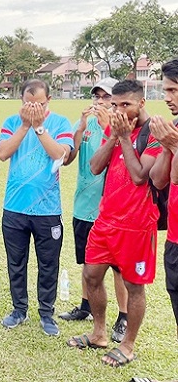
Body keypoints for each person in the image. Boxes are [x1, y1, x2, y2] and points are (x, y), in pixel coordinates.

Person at [67, 80, 161, 366]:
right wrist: (113, 136)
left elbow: (139, 176)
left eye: (126, 105)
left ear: (141, 103)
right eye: (115, 104)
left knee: (134, 286)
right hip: (106, 220)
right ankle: (98, 333)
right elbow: (95, 167)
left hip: (137, 225)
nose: (119, 110)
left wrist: (123, 137)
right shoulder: (116, 130)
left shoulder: (153, 133)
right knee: (91, 276)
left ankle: (128, 345)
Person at [0, 79, 73, 336]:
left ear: (48, 101)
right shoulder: (11, 122)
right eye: (29, 104)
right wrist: (25, 125)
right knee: (16, 263)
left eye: (39, 104)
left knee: (48, 264)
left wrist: (39, 128)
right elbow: (2, 153)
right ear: (22, 102)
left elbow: (60, 155)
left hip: (47, 210)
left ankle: (47, 313)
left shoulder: (60, 123)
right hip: (15, 207)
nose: (34, 109)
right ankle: (19, 309)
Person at [60, 77, 129, 343]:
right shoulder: (87, 124)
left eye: (105, 97)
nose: (99, 101)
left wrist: (107, 126)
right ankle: (86, 307)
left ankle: (122, 317)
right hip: (83, 205)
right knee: (89, 263)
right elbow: (68, 159)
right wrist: (80, 129)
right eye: (96, 96)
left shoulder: (121, 128)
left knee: (117, 267)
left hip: (111, 211)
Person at [150, 58, 178, 344]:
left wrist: (174, 145)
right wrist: (168, 147)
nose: (166, 97)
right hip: (175, 239)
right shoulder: (174, 126)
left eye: (172, 90)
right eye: (165, 90)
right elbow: (159, 180)